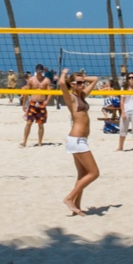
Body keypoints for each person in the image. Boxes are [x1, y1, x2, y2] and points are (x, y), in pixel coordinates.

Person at [57, 68, 99, 216]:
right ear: (73, 84)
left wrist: (82, 78)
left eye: (83, 83)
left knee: (82, 175)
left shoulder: (82, 95)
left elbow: (95, 79)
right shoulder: (71, 98)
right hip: (76, 140)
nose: (82, 85)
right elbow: (62, 83)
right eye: (79, 83)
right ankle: (69, 198)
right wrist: (64, 74)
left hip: (81, 140)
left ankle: (77, 207)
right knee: (94, 173)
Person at [21, 68, 49, 147]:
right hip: (33, 103)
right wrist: (24, 104)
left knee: (40, 124)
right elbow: (26, 92)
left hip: (41, 104)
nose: (39, 73)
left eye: (40, 71)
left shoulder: (46, 80)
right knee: (28, 123)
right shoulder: (31, 80)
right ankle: (24, 142)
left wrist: (47, 101)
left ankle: (40, 142)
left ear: (42, 71)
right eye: (38, 71)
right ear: (36, 71)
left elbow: (50, 92)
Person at [117, 73, 133, 152]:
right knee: (122, 130)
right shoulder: (124, 89)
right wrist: (123, 112)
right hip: (126, 111)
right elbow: (122, 102)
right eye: (129, 78)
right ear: (127, 79)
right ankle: (120, 147)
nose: (131, 79)